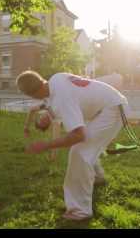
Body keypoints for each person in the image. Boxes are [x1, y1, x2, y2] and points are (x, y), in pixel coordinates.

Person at [17, 70, 130, 221]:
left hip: (112, 110)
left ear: (32, 95)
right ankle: (97, 176)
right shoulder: (55, 78)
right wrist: (48, 117)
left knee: (79, 152)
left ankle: (79, 211)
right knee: (87, 149)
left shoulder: (62, 100)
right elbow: (59, 99)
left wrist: (46, 145)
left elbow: (78, 135)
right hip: (108, 105)